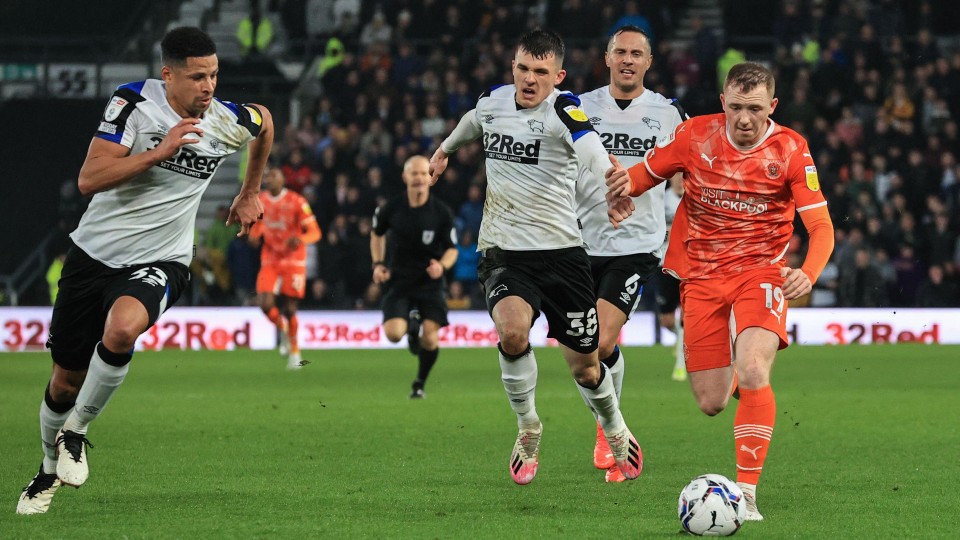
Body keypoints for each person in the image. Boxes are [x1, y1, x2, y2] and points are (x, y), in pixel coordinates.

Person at [16, 27, 273, 515]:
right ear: (168, 75)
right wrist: (159, 152)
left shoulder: (228, 119)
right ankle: (48, 469)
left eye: (215, 74)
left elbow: (266, 124)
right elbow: (90, 178)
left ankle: (78, 432)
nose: (209, 86)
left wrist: (250, 190)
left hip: (164, 258)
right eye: (198, 76)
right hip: (93, 255)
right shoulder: (133, 102)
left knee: (123, 327)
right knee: (63, 383)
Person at [608, 62, 835, 520]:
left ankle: (746, 494)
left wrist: (807, 273)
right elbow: (645, 174)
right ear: (722, 104)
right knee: (711, 401)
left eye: (755, 108)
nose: (745, 119)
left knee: (752, 368)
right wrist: (618, 185)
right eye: (736, 107)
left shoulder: (791, 148)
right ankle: (751, 388)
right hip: (702, 278)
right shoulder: (695, 136)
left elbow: (821, 226)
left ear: (772, 106)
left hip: (762, 272)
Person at [429, 29, 641, 486]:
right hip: (504, 252)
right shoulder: (494, 100)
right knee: (511, 331)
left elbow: (587, 145)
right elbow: (473, 120)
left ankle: (614, 426)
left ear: (558, 76)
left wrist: (610, 178)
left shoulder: (564, 107)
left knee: (586, 367)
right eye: (523, 68)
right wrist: (445, 149)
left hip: (563, 255)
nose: (529, 79)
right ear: (513, 66)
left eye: (540, 72)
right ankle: (528, 428)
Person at [574, 25, 686, 483]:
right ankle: (613, 422)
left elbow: (684, 177)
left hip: (637, 246)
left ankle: (609, 429)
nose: (627, 59)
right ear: (606, 58)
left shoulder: (667, 113)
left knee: (598, 343)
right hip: (578, 244)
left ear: (648, 62)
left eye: (636, 54)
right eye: (619, 52)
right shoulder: (577, 107)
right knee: (584, 355)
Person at [370, 155, 458, 399]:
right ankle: (411, 325)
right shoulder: (391, 208)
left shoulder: (441, 212)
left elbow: (452, 249)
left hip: (429, 281)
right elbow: (376, 234)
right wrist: (377, 264)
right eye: (414, 173)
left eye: (423, 173)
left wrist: (441, 266)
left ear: (430, 177)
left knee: (429, 339)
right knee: (393, 334)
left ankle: (419, 383)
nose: (419, 178)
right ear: (405, 177)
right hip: (398, 279)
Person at [249, 164, 321, 369]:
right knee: (265, 304)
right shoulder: (261, 200)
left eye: (273, 176)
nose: (268, 179)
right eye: (267, 176)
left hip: (293, 260)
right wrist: (255, 234)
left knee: (290, 309)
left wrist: (300, 238)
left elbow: (315, 232)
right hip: (270, 259)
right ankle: (283, 330)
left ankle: (295, 353)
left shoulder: (297, 202)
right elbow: (259, 224)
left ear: (282, 180)